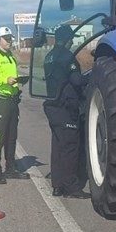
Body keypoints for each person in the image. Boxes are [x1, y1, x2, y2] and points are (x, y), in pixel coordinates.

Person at [43, 25, 91, 199]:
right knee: (70, 147)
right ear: (67, 39)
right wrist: (91, 76)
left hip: (52, 106)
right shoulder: (67, 56)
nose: (72, 41)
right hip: (66, 107)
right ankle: (71, 187)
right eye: (72, 38)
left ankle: (57, 185)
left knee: (57, 147)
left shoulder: (49, 57)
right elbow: (76, 81)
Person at [0, 26, 29, 184]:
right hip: (0, 100)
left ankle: (11, 167)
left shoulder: (11, 57)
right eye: (6, 38)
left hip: (12, 99)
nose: (9, 41)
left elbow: (12, 76)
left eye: (10, 38)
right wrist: (5, 81)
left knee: (12, 135)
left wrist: (17, 85)